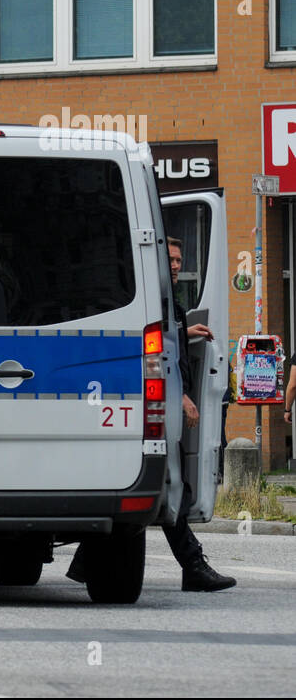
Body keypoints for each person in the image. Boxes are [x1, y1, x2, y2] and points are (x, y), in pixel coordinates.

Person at [69, 237, 236, 591]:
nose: (176, 265)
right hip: (162, 407)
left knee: (163, 487)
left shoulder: (166, 303)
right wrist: (182, 400)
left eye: (179, 260)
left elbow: (167, 342)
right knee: (169, 485)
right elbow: (160, 358)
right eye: (171, 260)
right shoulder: (152, 302)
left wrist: (183, 330)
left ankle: (86, 562)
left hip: (164, 406)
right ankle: (193, 566)